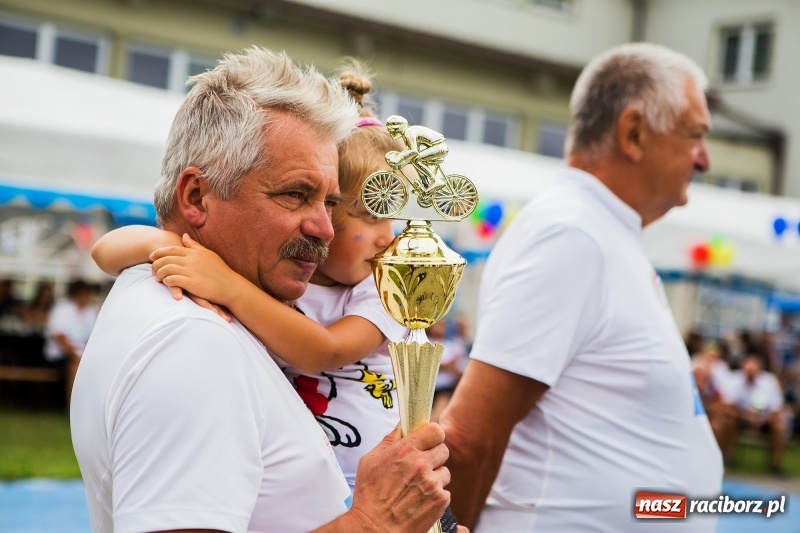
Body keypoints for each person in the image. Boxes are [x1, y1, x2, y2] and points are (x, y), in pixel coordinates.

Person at [71, 47, 456, 533]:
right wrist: (373, 523)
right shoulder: (193, 339)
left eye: (331, 203)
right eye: (295, 194)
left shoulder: (203, 290)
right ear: (195, 197)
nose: (325, 228)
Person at [440, 42, 722, 532]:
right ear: (634, 133)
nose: (704, 159)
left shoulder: (598, 231)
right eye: (695, 135)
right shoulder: (571, 233)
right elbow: (469, 437)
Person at [721, 353, 787, 476]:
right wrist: (746, 417)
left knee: (779, 426)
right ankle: (727, 457)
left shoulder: (770, 382)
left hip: (764, 420)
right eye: (747, 370)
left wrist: (762, 419)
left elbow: (776, 408)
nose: (750, 373)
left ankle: (776, 465)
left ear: (759, 370)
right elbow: (728, 406)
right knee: (727, 419)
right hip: (741, 418)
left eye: (753, 370)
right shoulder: (735, 379)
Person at [44, 279, 97, 405]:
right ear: (78, 294)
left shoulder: (90, 312)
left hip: (82, 354)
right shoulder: (62, 309)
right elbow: (60, 337)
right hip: (60, 354)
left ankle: (92, 405)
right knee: (76, 364)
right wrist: (75, 354)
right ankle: (71, 405)